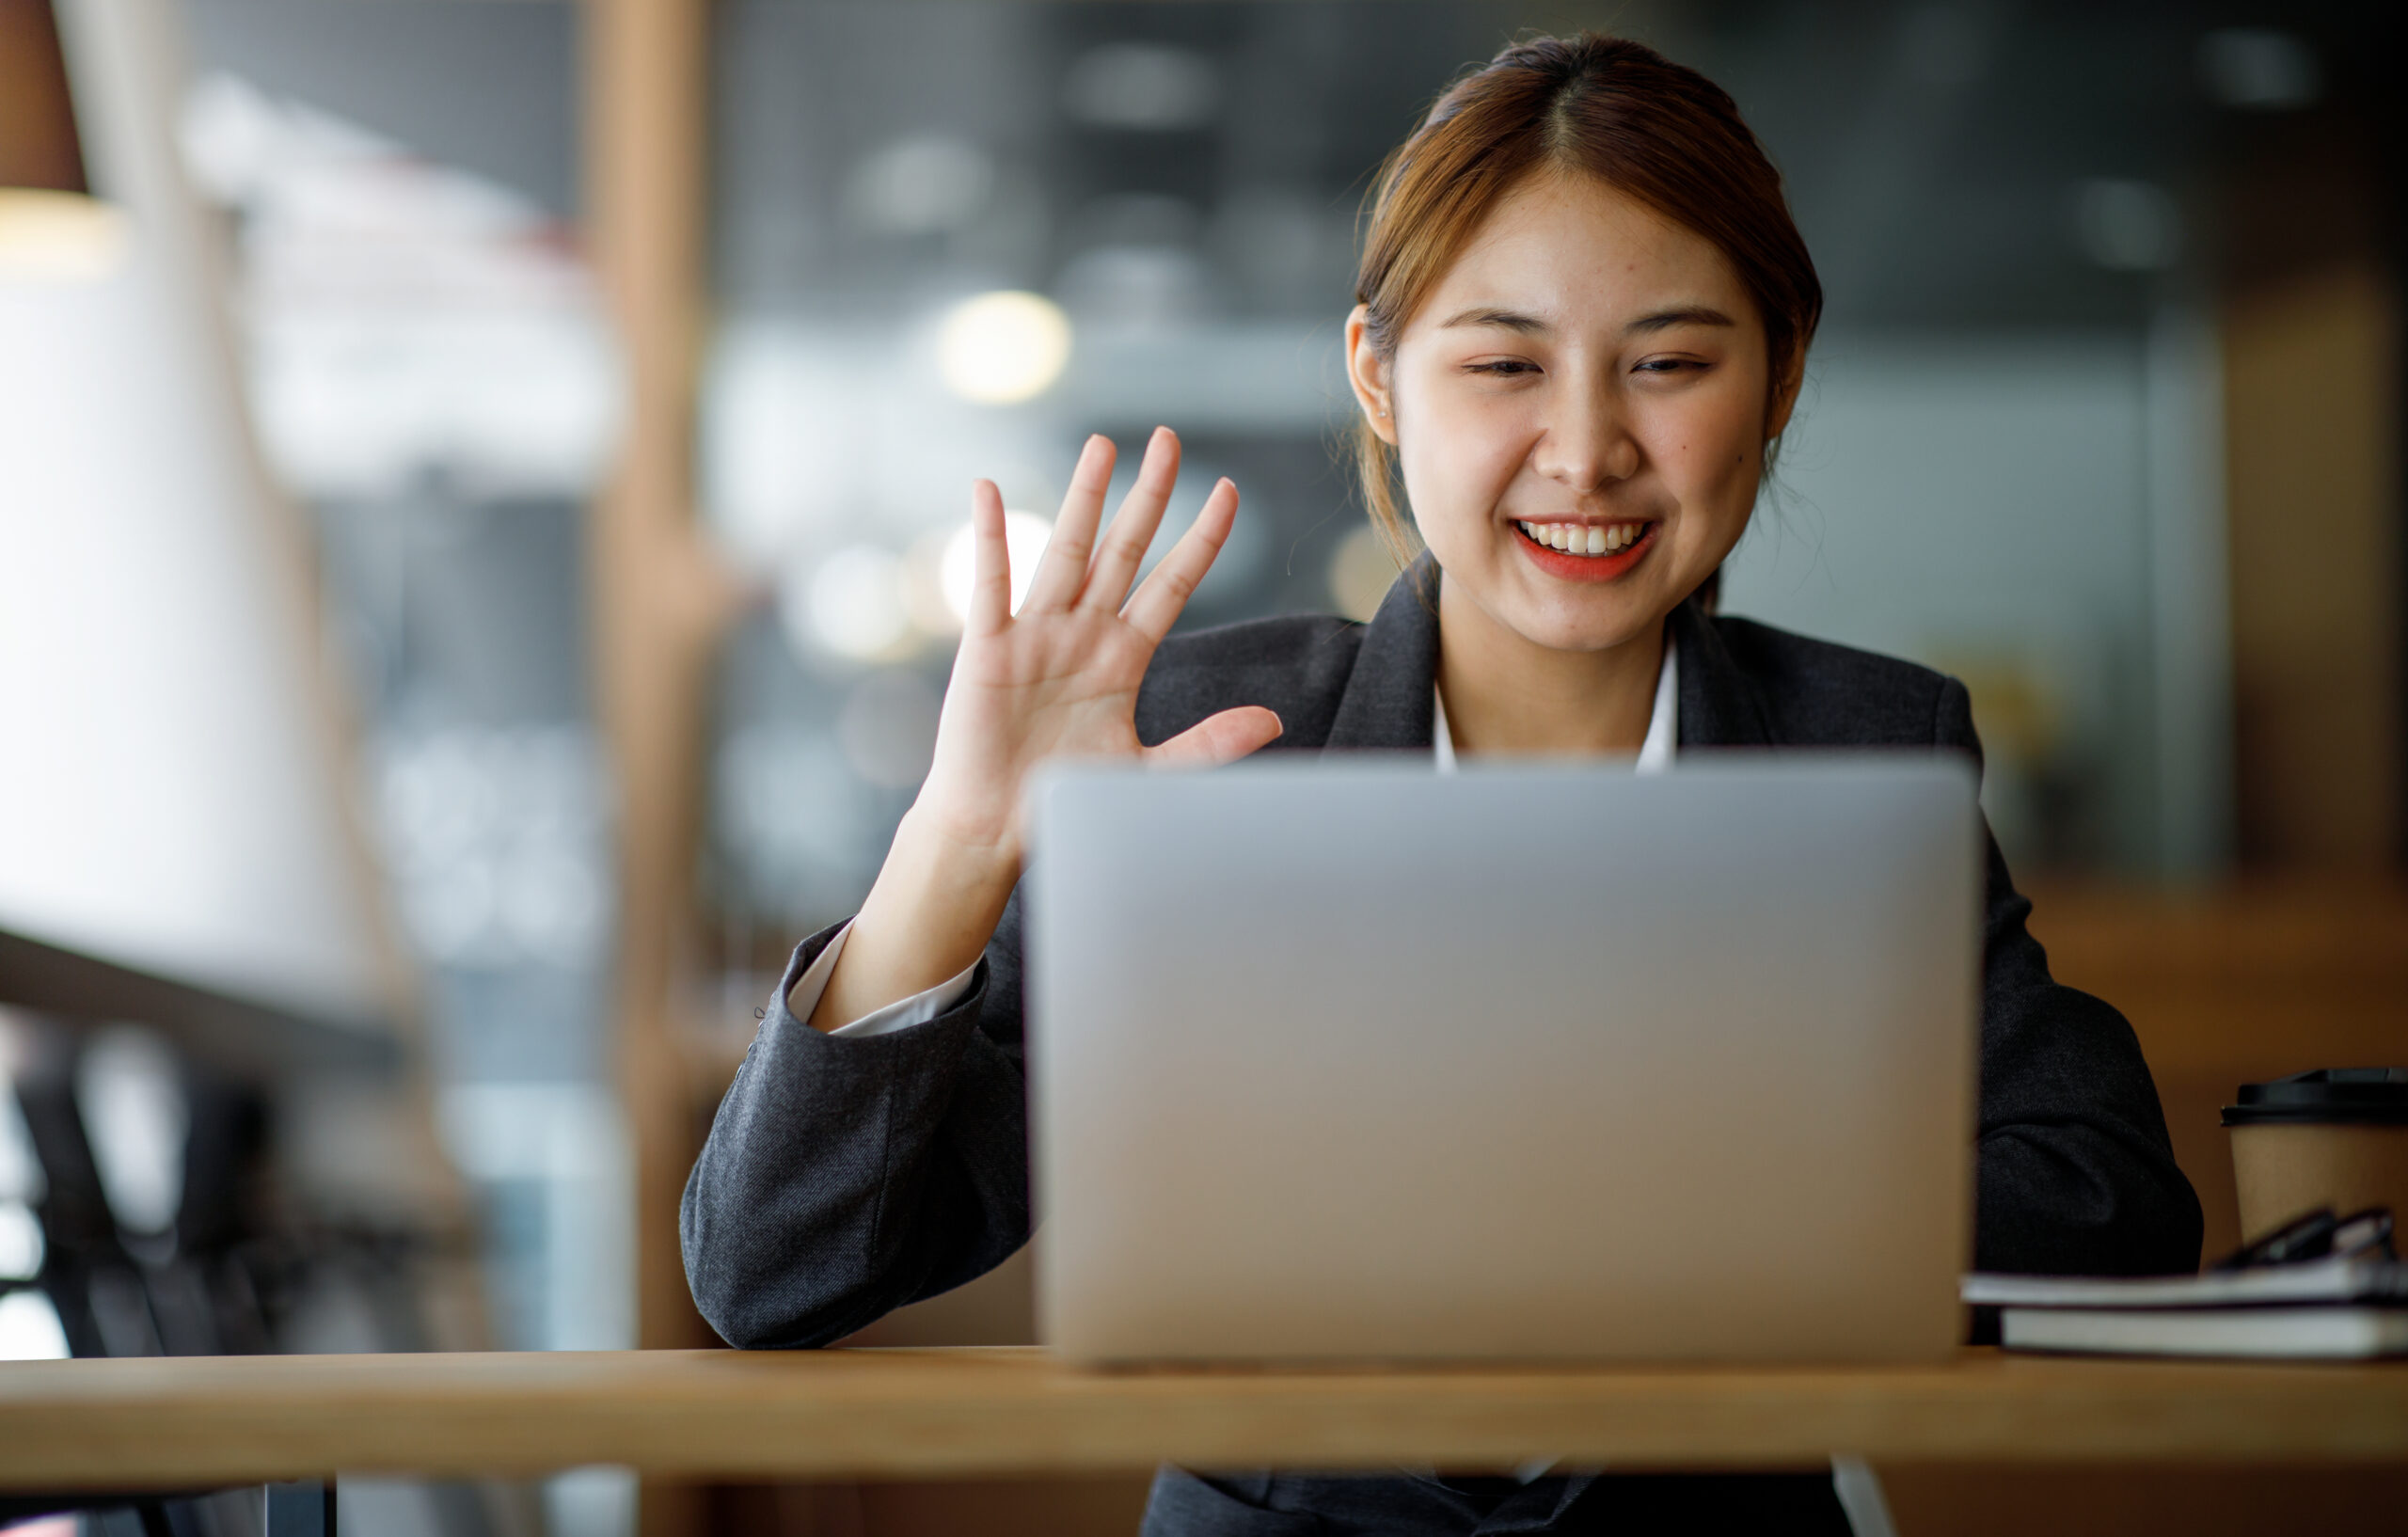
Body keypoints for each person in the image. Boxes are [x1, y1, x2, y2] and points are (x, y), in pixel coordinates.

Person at [683, 32, 2202, 1536]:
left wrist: (1668, 1234)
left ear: (1782, 373)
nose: (1588, 450)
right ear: (1381, 378)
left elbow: (2112, 1203)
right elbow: (772, 1273)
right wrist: (955, 845)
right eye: (1503, 366)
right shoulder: (1218, 737)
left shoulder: (1867, 742)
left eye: (1670, 363)